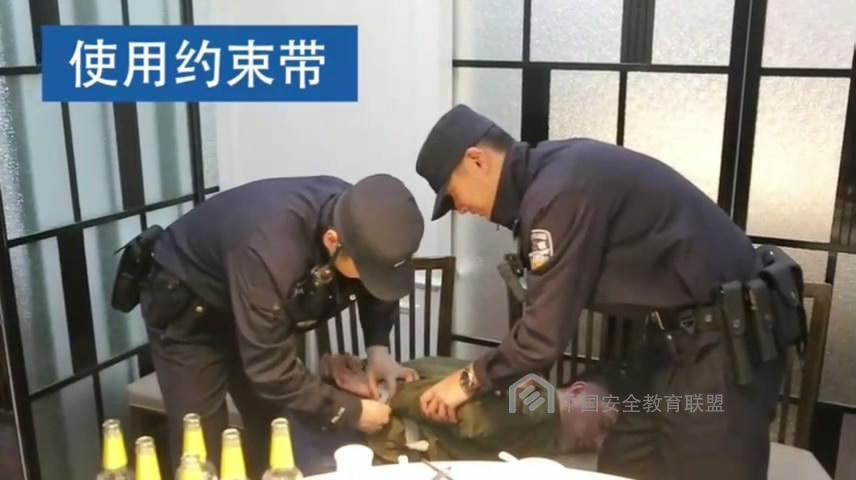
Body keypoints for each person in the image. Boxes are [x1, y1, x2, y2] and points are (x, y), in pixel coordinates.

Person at [412, 104, 807, 480]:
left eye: (453, 194)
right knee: (625, 462)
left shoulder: (558, 193)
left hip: (723, 345)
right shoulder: (553, 175)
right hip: (671, 345)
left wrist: (467, 381)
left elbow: (541, 339)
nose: (460, 207)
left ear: (477, 160)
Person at [111, 174, 425, 476]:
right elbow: (271, 370)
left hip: (251, 298)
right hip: (189, 308)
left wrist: (378, 350)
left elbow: (378, 286)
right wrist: (352, 411)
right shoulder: (270, 249)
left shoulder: (364, 216)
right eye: (370, 273)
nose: (373, 282)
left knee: (279, 432)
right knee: (201, 449)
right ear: (332, 241)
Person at [318, 354, 618, 463]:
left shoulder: (529, 385)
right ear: (578, 390)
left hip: (370, 417)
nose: (599, 441)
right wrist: (379, 394)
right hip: (370, 436)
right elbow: (474, 418)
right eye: (603, 423)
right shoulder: (544, 404)